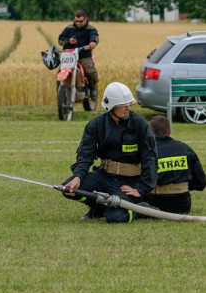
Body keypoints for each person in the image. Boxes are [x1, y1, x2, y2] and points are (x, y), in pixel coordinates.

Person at [61, 82, 158, 223]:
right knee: (68, 188)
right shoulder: (95, 125)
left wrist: (142, 189)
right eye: (123, 105)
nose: (128, 108)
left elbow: (150, 158)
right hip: (104, 176)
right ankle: (98, 208)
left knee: (115, 218)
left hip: (129, 182)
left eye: (129, 104)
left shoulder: (140, 124)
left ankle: (139, 210)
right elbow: (85, 154)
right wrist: (78, 176)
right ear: (111, 106)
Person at [141, 116, 206, 215]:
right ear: (170, 132)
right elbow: (200, 183)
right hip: (182, 205)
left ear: (150, 133)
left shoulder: (147, 151)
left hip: (154, 204)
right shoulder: (185, 149)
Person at [58, 10, 99, 110]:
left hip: (83, 56)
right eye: (76, 21)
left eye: (80, 21)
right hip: (68, 57)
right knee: (59, 75)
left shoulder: (91, 29)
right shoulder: (69, 28)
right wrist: (68, 41)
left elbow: (94, 37)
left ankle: (93, 90)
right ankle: (60, 97)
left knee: (90, 72)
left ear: (85, 20)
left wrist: (93, 43)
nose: (78, 23)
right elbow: (60, 39)